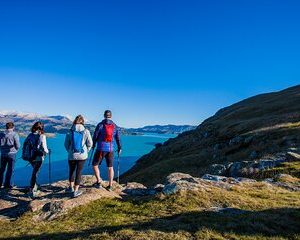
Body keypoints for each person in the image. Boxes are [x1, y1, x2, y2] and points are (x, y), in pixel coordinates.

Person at [92, 110, 121, 191]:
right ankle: (110, 186)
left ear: (104, 115)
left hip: (101, 148)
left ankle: (98, 182)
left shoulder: (100, 125)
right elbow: (118, 138)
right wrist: (119, 147)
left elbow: (95, 136)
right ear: (111, 116)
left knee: (95, 165)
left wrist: (93, 145)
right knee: (110, 167)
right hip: (110, 149)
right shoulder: (115, 126)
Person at [64, 115, 93, 198]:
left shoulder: (70, 131)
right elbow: (90, 143)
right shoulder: (86, 131)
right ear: (82, 121)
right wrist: (86, 151)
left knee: (71, 171)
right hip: (82, 156)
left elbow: (66, 144)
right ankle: (76, 191)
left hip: (72, 155)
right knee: (79, 172)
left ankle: (71, 188)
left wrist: (70, 151)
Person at [27, 121, 49, 198]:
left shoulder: (30, 135)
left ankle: (34, 186)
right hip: (38, 157)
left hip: (30, 157)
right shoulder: (42, 136)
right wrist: (47, 152)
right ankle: (32, 189)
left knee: (34, 171)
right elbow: (45, 148)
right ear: (42, 128)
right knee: (35, 173)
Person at [0, 122, 20, 190]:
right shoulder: (15, 134)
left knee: (2, 169)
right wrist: (16, 150)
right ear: (13, 127)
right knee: (10, 170)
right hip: (12, 154)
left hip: (3, 154)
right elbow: (18, 145)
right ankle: (7, 185)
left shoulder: (1, 134)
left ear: (6, 127)